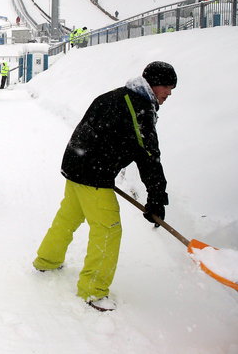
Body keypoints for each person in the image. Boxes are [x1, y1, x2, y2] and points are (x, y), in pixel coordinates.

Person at [32, 61, 177, 312]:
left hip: (76, 164)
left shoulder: (118, 95)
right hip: (93, 173)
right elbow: (148, 154)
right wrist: (156, 196)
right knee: (108, 230)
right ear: (153, 84)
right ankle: (93, 291)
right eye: (167, 86)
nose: (170, 93)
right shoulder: (138, 107)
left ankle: (47, 259)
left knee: (68, 216)